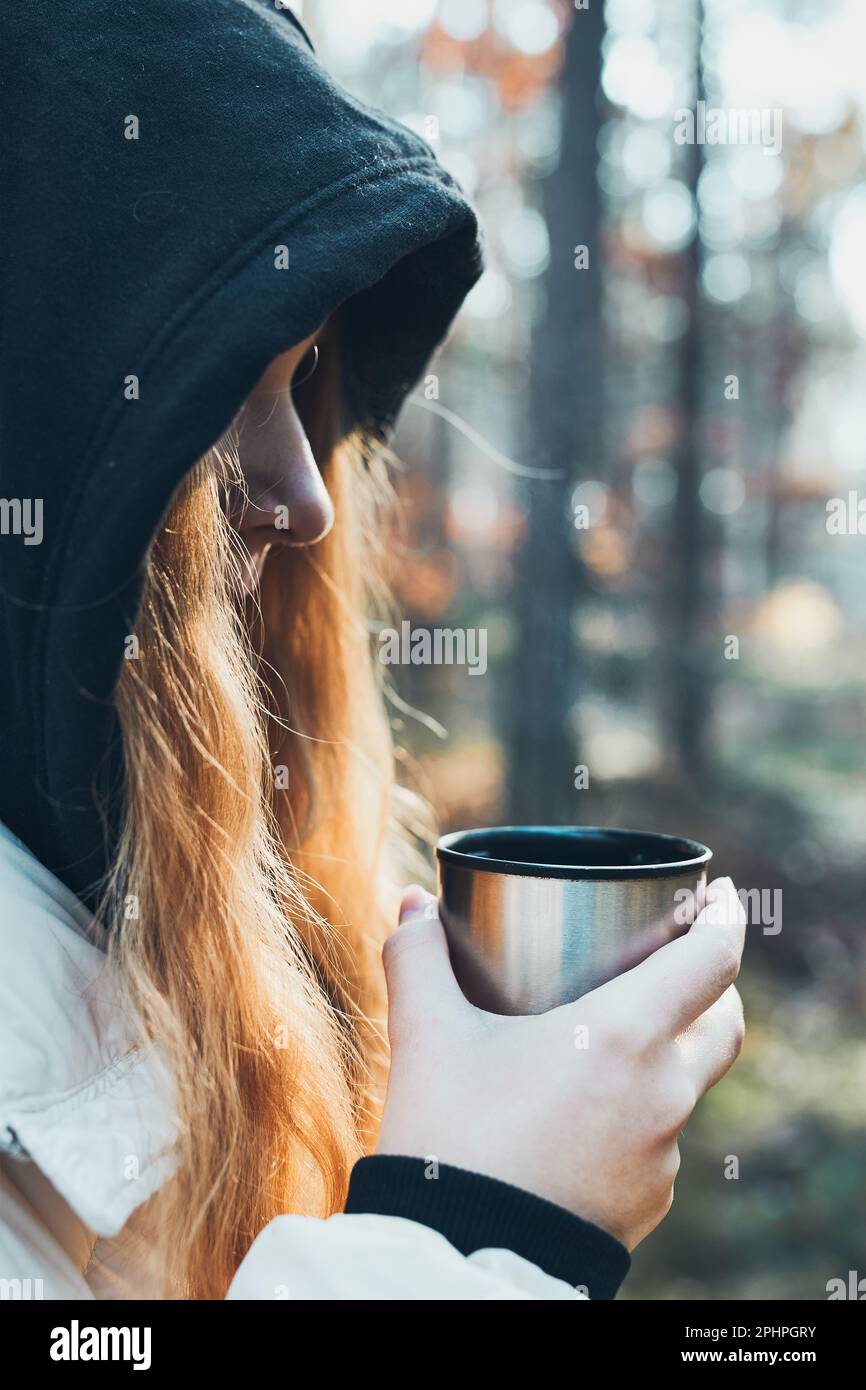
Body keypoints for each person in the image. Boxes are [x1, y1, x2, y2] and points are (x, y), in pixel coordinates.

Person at [0, 0, 745, 1300]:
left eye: (303, 383)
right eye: (225, 386)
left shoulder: (131, 917)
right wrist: (478, 1231)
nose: (309, 500)